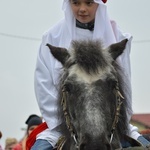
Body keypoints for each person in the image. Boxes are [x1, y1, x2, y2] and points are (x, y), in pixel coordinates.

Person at [32, 0, 150, 149]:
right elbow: (43, 86)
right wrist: (61, 123)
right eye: (76, 3)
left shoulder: (118, 37)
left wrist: (119, 124)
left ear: (99, 4)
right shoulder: (51, 37)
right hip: (63, 125)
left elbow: (124, 87)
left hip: (111, 124)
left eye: (89, 3)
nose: (82, 9)